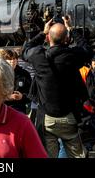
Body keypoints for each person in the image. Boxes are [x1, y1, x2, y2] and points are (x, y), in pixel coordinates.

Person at [22, 16, 91, 158]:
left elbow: (25, 50)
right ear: (66, 39)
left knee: (48, 154)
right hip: (69, 115)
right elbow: (86, 49)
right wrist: (71, 29)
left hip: (47, 116)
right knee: (76, 154)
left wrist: (42, 32)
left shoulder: (38, 57)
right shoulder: (73, 55)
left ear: (48, 38)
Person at [0, 49, 32, 114]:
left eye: (14, 59)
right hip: (2, 108)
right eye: (10, 59)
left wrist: (22, 96)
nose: (12, 61)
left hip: (19, 109)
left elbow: (31, 94)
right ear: (4, 61)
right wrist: (7, 97)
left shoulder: (24, 74)